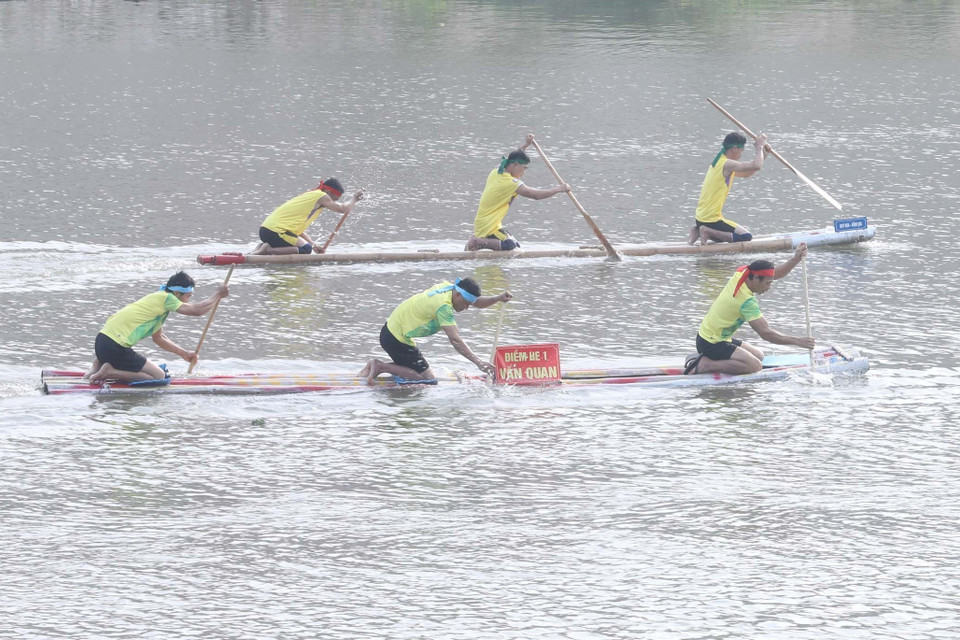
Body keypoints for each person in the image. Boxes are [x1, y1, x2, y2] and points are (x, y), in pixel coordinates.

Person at [684, 243, 815, 375]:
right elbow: (766, 334)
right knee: (755, 366)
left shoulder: (742, 273)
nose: (769, 287)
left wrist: (796, 259)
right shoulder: (746, 302)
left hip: (712, 337)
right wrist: (798, 341)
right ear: (757, 278)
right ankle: (706, 365)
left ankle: (703, 357)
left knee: (759, 355)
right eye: (768, 283)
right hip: (711, 343)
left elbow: (774, 273)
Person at [359, 277, 513, 384]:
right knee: (428, 379)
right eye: (466, 304)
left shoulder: (449, 288)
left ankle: (372, 369)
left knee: (415, 369)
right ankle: (380, 366)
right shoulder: (444, 307)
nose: (467, 308)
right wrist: (479, 362)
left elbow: (475, 301)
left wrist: (498, 298)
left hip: (390, 331)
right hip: (396, 339)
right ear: (458, 295)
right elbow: (455, 339)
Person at [85, 272, 230, 384]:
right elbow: (196, 310)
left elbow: (159, 338)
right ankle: (110, 371)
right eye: (188, 296)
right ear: (177, 293)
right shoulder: (166, 298)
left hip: (102, 343)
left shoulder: (157, 303)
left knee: (143, 368)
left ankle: (93, 371)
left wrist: (184, 353)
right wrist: (217, 294)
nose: (189, 300)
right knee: (159, 376)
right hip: (115, 347)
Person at [464, 134, 571, 251]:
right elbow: (535, 195)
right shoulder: (511, 183)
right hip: (488, 226)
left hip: (488, 223)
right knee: (510, 246)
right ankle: (476, 242)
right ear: (515, 165)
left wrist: (526, 145)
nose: (524, 172)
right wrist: (559, 189)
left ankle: (483, 249)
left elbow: (513, 156)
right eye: (524, 168)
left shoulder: (496, 171)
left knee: (516, 246)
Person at [687, 131, 767, 245]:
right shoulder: (728, 164)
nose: (741, 154)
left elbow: (747, 173)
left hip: (700, 218)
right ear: (735, 148)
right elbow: (756, 165)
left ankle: (697, 230)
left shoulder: (719, 162)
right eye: (741, 151)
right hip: (711, 220)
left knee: (730, 235)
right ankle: (706, 231)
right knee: (746, 236)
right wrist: (759, 147)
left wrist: (764, 154)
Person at [250, 178, 363, 255]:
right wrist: (355, 199)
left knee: (309, 247)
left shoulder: (311, 197)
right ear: (328, 191)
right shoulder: (321, 195)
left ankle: (265, 247)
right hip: (276, 232)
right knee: (305, 249)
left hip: (266, 231)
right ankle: (269, 249)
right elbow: (343, 209)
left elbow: (297, 232)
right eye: (335, 197)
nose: (336, 200)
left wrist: (314, 245)